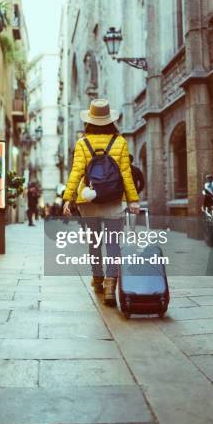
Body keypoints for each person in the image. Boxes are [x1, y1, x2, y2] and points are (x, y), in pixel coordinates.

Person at [63, 98, 139, 306]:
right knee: (114, 244)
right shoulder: (120, 142)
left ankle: (97, 279)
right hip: (114, 200)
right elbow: (126, 174)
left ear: (90, 121)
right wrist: (133, 199)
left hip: (88, 200)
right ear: (110, 121)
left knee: (94, 243)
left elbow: (76, 172)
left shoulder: (82, 143)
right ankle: (109, 287)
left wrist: (67, 198)